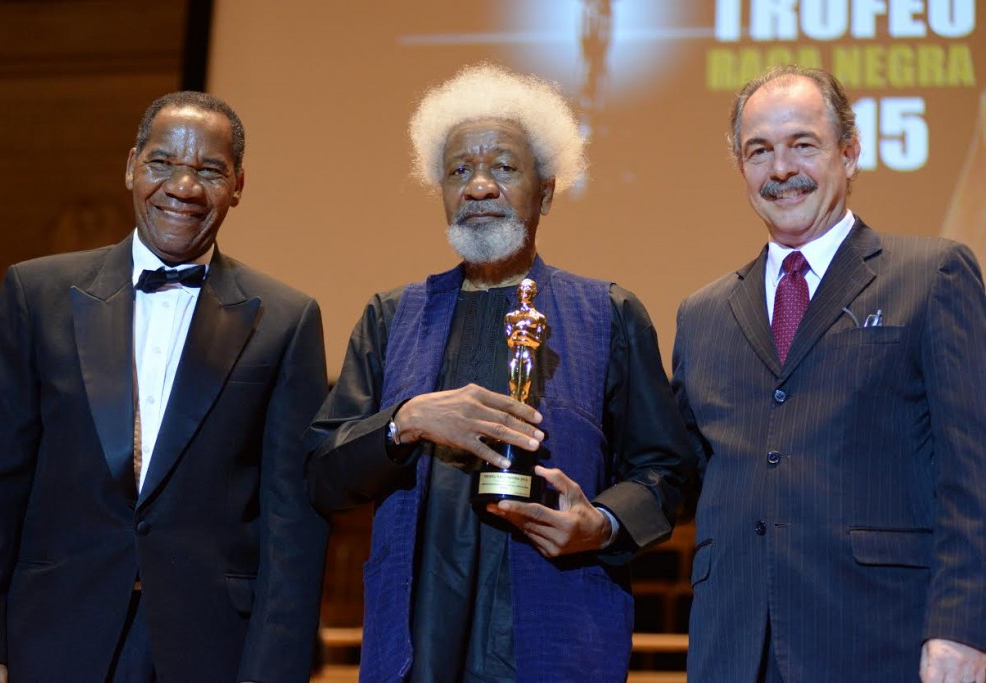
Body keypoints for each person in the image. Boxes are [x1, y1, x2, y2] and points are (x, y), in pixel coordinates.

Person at [305, 64, 693, 682]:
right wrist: (404, 423)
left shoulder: (610, 314)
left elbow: (664, 470)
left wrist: (604, 522)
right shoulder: (391, 317)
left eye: (503, 168)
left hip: (557, 632)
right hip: (416, 641)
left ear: (545, 191)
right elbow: (323, 471)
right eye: (459, 170)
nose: (478, 186)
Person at [0, 91, 329, 683]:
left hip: (209, 651)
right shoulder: (37, 295)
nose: (183, 187)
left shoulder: (285, 319)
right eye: (163, 163)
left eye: (210, 170)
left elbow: (293, 524)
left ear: (238, 185)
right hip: (48, 638)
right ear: (131, 166)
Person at [672, 65, 986, 683]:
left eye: (802, 145)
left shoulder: (932, 275)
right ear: (741, 166)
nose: (781, 169)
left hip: (882, 640)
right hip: (734, 649)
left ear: (850, 151)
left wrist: (962, 625)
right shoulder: (702, 314)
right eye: (759, 150)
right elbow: (677, 475)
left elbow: (972, 474)